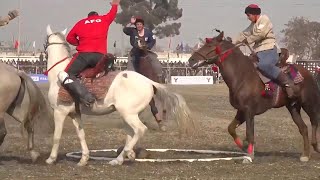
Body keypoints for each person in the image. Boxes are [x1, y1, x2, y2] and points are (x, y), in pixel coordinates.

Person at [57, 0, 120, 107]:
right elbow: (112, 14)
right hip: (100, 56)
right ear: (97, 16)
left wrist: (78, 43)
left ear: (88, 17)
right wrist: (114, 5)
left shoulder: (81, 22)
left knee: (66, 75)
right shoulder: (103, 19)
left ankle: (85, 96)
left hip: (84, 55)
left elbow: (69, 38)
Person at [233, 4, 298, 98]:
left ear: (255, 14)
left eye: (248, 15)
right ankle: (267, 86)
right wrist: (231, 41)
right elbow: (243, 34)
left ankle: (287, 82)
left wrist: (248, 40)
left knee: (264, 65)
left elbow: (261, 34)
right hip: (258, 51)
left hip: (270, 49)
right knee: (249, 65)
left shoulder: (264, 19)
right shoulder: (253, 25)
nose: (248, 18)